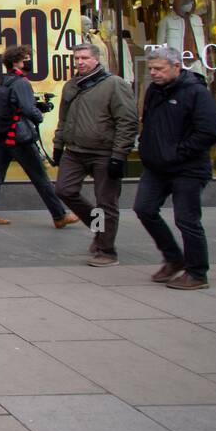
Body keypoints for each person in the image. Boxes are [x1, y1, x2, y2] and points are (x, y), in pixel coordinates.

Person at [132, 45, 216, 290]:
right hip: (157, 166)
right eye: (151, 68)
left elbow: (210, 131)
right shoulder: (154, 91)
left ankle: (197, 273)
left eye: (159, 68)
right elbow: (149, 123)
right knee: (144, 208)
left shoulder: (196, 92)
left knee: (187, 220)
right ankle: (174, 258)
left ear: (176, 67)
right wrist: (148, 149)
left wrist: (179, 152)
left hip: (188, 168)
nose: (154, 73)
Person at [51, 43, 138, 266]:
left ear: (97, 59)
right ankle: (100, 230)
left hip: (104, 153)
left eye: (85, 58)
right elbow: (64, 119)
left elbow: (127, 121)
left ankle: (106, 250)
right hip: (74, 150)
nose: (80, 62)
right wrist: (58, 145)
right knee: (64, 190)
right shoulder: (71, 86)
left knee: (105, 202)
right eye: (77, 58)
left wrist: (119, 154)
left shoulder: (114, 84)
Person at [0, 44, 78, 229]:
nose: (29, 61)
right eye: (26, 59)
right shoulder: (21, 82)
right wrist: (39, 115)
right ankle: (59, 215)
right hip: (19, 138)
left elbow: (14, 104)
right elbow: (26, 108)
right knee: (39, 175)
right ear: (15, 62)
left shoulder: (5, 81)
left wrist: (35, 106)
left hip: (3, 136)